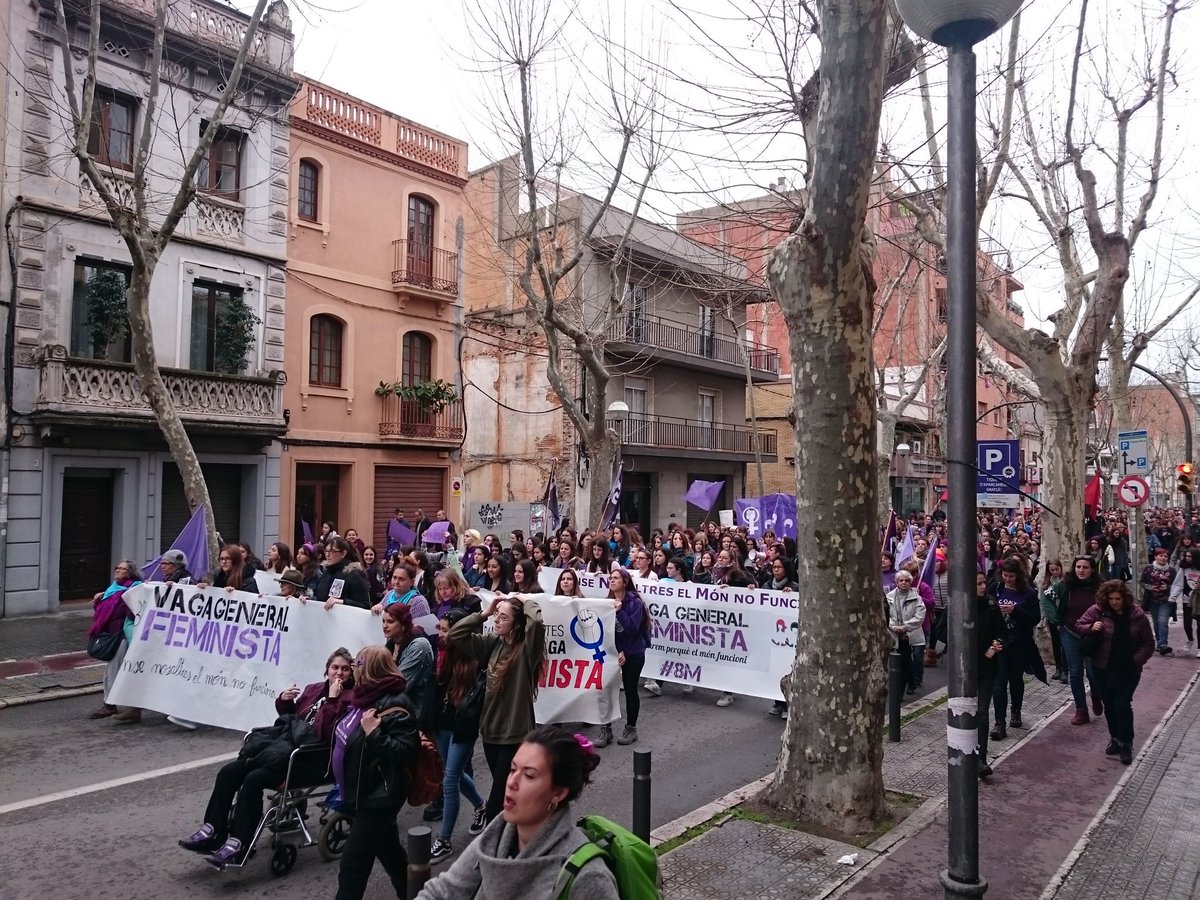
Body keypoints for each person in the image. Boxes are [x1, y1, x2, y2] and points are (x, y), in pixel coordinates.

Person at [178, 649, 354, 866]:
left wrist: (333, 700)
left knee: (253, 779)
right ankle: (214, 831)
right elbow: (292, 720)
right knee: (229, 772)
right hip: (283, 750)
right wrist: (284, 702)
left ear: (351, 673)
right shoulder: (314, 689)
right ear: (327, 669)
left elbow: (325, 732)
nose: (339, 673)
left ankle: (240, 845)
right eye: (335, 667)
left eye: (345, 669)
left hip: (309, 759)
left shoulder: (350, 699)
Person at [415, 726, 618, 900]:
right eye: (512, 770)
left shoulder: (588, 877)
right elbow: (442, 891)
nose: (511, 782)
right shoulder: (496, 834)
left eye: (529, 775)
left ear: (558, 793)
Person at [327, 646, 420, 900]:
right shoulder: (362, 698)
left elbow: (405, 752)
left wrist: (374, 733)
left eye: (357, 665)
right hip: (362, 794)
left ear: (370, 669)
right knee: (390, 853)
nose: (353, 670)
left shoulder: (395, 704)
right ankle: (415, 894)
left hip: (378, 798)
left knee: (352, 866)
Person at [448, 592, 546, 823]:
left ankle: (496, 837)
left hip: (515, 735)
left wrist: (524, 599)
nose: (497, 620)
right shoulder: (492, 644)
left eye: (503, 617)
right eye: (497, 615)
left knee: (497, 802)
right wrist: (484, 613)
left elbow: (536, 623)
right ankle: (520, 830)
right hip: (491, 732)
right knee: (509, 793)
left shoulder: (526, 650)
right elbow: (456, 635)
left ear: (516, 624)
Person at [429, 610, 489, 864]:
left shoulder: (476, 656)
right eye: (440, 630)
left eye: (445, 630)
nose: (441, 635)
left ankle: (444, 840)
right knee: (450, 772)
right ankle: (481, 806)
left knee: (450, 779)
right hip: (444, 721)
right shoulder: (444, 654)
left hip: (464, 725)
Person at [1074, 580, 1156, 764]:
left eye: (1117, 599)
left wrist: (1135, 661)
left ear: (1124, 598)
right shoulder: (1098, 611)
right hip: (1103, 666)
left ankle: (1126, 743)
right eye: (1111, 599)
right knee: (1109, 704)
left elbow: (1148, 644)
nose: (1114, 602)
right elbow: (1078, 625)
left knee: (1122, 703)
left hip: (1128, 669)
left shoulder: (1137, 616)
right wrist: (1091, 627)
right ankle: (1115, 738)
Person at [989, 558, 1043, 739]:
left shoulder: (1028, 593)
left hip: (1019, 642)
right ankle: (999, 722)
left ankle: (1016, 710)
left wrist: (1015, 611)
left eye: (1011, 576)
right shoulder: (995, 588)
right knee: (999, 682)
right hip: (998, 643)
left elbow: (1034, 618)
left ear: (1018, 576)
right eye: (1005, 575)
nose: (1008, 579)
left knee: (1016, 679)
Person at [1046, 556, 1104, 724]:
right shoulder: (1064, 584)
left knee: (1093, 673)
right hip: (1070, 633)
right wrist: (1056, 621)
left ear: (1092, 569)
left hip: (1093, 634)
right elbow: (1046, 597)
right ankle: (1081, 710)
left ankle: (1096, 696)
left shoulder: (1101, 586)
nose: (1081, 570)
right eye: (1078, 567)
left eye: (1085, 567)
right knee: (1076, 672)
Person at [598, 568, 650, 748]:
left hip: (633, 653)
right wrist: (618, 649)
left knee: (630, 690)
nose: (612, 581)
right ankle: (606, 728)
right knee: (605, 689)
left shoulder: (635, 603)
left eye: (616, 578)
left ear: (625, 582)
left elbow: (631, 629)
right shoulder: (607, 601)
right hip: (614, 652)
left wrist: (619, 612)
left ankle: (631, 728)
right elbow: (604, 630)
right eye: (610, 578)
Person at [88, 560, 143, 723]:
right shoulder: (113, 588)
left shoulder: (134, 589)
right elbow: (102, 612)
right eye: (117, 568)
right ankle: (131, 708)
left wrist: (127, 601)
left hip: (122, 635)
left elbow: (133, 612)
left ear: (130, 573)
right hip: (111, 632)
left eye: (122, 569)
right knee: (118, 671)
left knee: (113, 671)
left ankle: (111, 705)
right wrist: (100, 600)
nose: (118, 570)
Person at [974, 572, 1007, 779]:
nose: (983, 587)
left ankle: (981, 758)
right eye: (978, 584)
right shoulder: (957, 605)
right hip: (963, 670)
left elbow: (1002, 633)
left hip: (987, 667)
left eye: (984, 582)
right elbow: (942, 632)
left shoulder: (991, 605)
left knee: (982, 711)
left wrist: (996, 646)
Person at [381, 603, 435, 727]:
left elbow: (399, 683)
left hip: (414, 715)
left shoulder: (419, 645)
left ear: (403, 624)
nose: (384, 626)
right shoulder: (391, 643)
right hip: (394, 711)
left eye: (390, 621)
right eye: (383, 621)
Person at [886, 569, 925, 696]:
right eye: (901, 580)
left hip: (911, 634)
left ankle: (909, 684)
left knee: (910, 661)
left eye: (906, 580)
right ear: (897, 582)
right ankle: (903, 688)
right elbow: (886, 615)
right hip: (896, 634)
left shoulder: (916, 597)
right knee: (902, 662)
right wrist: (894, 627)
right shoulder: (889, 597)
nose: (904, 583)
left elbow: (920, 616)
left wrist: (905, 627)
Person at [317, 536, 371, 610]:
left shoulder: (353, 575)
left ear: (343, 553)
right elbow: (319, 597)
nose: (327, 555)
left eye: (332, 551)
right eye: (326, 551)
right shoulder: (325, 573)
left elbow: (365, 605)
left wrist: (342, 602)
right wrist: (309, 598)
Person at [1141, 546, 1177, 655]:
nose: (1163, 558)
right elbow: (1142, 581)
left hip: (1166, 600)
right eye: (1161, 556)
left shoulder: (1172, 570)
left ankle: (1163, 645)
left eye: (1165, 556)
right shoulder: (1148, 568)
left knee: (1163, 621)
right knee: (1156, 622)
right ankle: (1159, 642)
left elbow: (1177, 585)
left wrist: (1168, 587)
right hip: (1152, 600)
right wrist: (1150, 587)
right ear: (1156, 557)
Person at [1169, 548, 1200, 655]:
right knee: (1187, 623)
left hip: (1198, 600)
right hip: (1187, 599)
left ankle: (1199, 648)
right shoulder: (1184, 568)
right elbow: (1178, 583)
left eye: (1190, 556)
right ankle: (1190, 639)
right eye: (1186, 556)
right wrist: (1173, 597)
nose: (1187, 558)